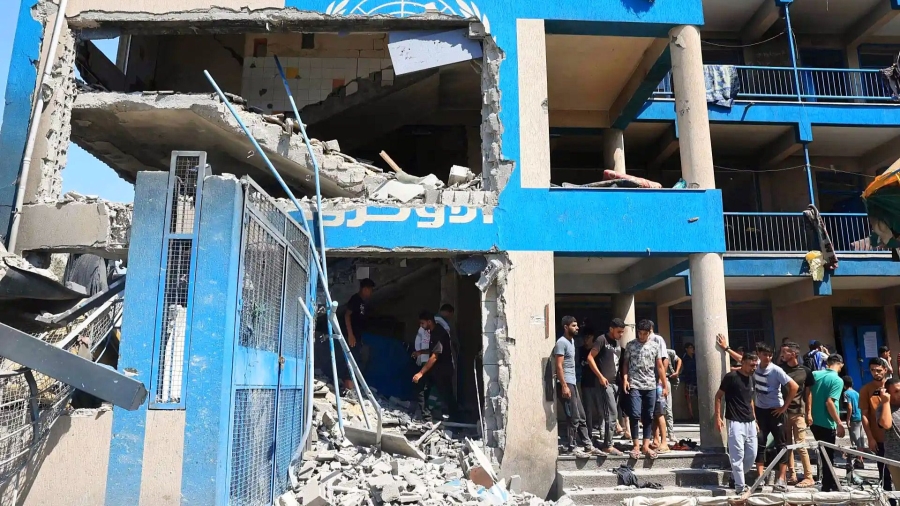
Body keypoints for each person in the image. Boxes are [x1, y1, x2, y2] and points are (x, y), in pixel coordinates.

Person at [717, 335, 798, 492]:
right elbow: (741, 359)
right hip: (759, 411)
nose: (767, 358)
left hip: (776, 410)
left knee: (781, 444)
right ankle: (760, 478)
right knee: (760, 443)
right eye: (764, 355)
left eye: (770, 355)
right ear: (758, 355)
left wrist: (784, 407)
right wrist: (726, 348)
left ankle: (781, 479)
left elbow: (794, 386)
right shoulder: (754, 366)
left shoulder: (776, 370)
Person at [555, 316, 605, 457]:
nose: (577, 328)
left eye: (577, 325)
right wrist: (564, 385)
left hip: (572, 382)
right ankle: (572, 447)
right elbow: (559, 366)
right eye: (574, 325)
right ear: (566, 327)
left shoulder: (571, 342)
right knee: (573, 416)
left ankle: (588, 445)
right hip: (566, 383)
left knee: (581, 416)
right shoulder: (561, 343)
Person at [715, 351, 760, 495]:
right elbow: (718, 396)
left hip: (750, 421)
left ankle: (734, 477)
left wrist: (755, 419)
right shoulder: (731, 377)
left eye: (756, 365)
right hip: (735, 421)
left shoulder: (752, 378)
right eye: (752, 365)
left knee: (752, 455)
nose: (754, 368)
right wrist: (718, 417)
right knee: (737, 455)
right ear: (743, 363)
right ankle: (740, 487)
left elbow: (750, 400)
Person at [623, 319, 668, 459]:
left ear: (649, 333)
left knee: (648, 416)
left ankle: (646, 446)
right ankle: (636, 445)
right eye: (640, 333)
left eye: (644, 333)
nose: (641, 336)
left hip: (651, 385)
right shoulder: (631, 345)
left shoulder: (655, 346)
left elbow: (660, 366)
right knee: (635, 414)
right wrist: (625, 379)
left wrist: (664, 385)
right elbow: (625, 364)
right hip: (635, 384)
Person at [778, 341, 816, 488]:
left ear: (793, 354)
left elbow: (808, 393)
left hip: (799, 412)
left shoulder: (805, 371)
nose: (782, 355)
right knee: (787, 445)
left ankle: (808, 477)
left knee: (801, 445)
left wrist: (809, 413)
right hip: (783, 412)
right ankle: (792, 474)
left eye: (785, 352)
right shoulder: (780, 369)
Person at [586, 319, 626, 454]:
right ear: (611, 329)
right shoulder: (602, 339)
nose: (621, 334)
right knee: (611, 414)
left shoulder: (617, 343)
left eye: (622, 332)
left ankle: (609, 442)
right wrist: (600, 377)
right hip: (605, 384)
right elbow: (590, 358)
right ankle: (607, 445)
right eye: (619, 332)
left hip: (616, 384)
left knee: (613, 415)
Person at [810, 354, 847, 492]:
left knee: (823, 453)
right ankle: (827, 485)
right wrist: (839, 423)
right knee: (828, 455)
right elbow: (830, 402)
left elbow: (807, 393)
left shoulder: (815, 374)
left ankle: (830, 482)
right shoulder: (837, 380)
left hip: (814, 420)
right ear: (841, 364)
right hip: (827, 422)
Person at [860, 358, 895, 501]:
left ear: (885, 370)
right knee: (884, 474)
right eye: (872, 370)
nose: (876, 373)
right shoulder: (866, 390)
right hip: (880, 438)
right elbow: (864, 415)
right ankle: (889, 501)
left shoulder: (894, 386)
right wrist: (870, 437)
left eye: (879, 370)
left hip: (896, 437)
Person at [412, 311, 455, 423]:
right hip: (438, 369)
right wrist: (421, 352)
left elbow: (435, 356)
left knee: (446, 395)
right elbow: (433, 350)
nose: (421, 326)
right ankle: (426, 417)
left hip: (442, 370)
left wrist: (421, 373)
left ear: (429, 322)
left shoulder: (439, 333)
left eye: (422, 323)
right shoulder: (433, 331)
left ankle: (455, 419)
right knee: (423, 388)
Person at [339, 278, 375, 394]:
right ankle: (348, 388)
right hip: (352, 336)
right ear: (365, 289)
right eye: (370, 290)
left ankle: (350, 387)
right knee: (352, 359)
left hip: (358, 336)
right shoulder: (355, 299)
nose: (371, 293)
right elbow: (347, 315)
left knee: (357, 359)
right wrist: (350, 335)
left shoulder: (363, 302)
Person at [578, 329, 602, 442]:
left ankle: (603, 432)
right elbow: (580, 363)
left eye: (588, 337)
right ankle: (589, 433)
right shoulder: (581, 350)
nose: (585, 339)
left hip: (597, 383)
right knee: (587, 410)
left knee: (600, 409)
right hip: (586, 383)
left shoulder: (597, 351)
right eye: (584, 337)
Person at [876, 377, 900, 487]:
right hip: (896, 458)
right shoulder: (883, 408)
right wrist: (885, 402)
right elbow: (886, 424)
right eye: (896, 391)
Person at [844, 375, 865, 469]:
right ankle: (860, 459)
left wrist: (848, 419)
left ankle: (859, 460)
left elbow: (849, 407)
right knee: (860, 439)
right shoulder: (856, 393)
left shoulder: (846, 393)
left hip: (854, 418)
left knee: (855, 440)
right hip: (860, 417)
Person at [681, 343, 698, 421]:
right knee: (689, 399)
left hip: (696, 380)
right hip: (689, 380)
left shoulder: (695, 357)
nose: (692, 349)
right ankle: (691, 416)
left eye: (692, 347)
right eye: (690, 348)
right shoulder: (685, 358)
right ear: (686, 349)